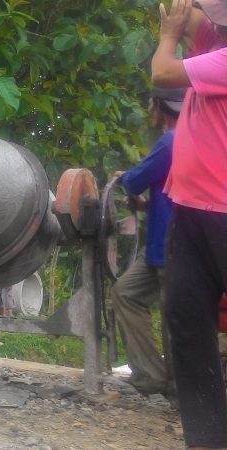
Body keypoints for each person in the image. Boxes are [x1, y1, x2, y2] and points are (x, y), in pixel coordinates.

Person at [151, 0, 227, 447]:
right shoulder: (212, 46)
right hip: (191, 212)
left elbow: (162, 72)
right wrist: (179, 18)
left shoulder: (221, 59)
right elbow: (187, 18)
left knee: (193, 328)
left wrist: (166, 36)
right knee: (188, 328)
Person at [110, 87, 185, 401]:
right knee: (126, 293)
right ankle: (152, 375)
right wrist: (145, 205)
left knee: (175, 317)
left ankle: (182, 392)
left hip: (175, 247)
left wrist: (124, 177)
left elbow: (133, 181)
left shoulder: (171, 141)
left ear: (158, 107)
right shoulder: (199, 139)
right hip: (163, 244)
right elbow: (172, 192)